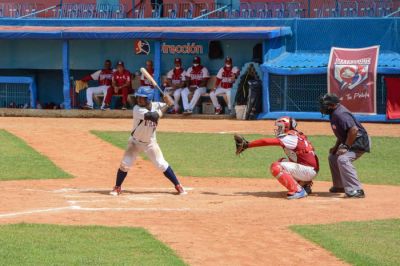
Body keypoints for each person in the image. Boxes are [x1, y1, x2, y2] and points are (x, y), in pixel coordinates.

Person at [110, 87, 187, 196]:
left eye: (142, 98)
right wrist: (167, 106)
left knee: (161, 164)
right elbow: (154, 116)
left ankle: (178, 185)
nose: (139, 100)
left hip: (150, 142)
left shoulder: (157, 105)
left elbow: (175, 108)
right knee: (125, 164)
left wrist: (171, 102)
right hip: (135, 143)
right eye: (138, 97)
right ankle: (117, 187)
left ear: (149, 98)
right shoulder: (137, 109)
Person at [234, 117, 319, 199]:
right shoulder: (296, 135)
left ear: (286, 127)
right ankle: (305, 185)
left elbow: (265, 142)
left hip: (308, 170)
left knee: (276, 167)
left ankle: (298, 190)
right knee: (282, 161)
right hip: (309, 169)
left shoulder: (290, 137)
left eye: (280, 127)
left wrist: (247, 145)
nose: (278, 129)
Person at [320, 93, 370, 198]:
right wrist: (336, 146)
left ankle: (356, 190)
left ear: (333, 105)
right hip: (351, 140)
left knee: (343, 159)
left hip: (359, 141)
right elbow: (342, 133)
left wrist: (345, 147)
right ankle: (340, 186)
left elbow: (353, 130)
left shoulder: (340, 114)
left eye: (325, 105)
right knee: (333, 157)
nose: (323, 107)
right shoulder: (334, 113)